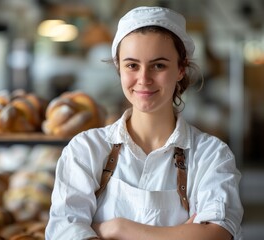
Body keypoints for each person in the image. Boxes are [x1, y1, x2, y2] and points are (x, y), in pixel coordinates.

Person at [45, 6, 243, 240]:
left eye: (158, 65)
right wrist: (183, 233)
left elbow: (217, 234)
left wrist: (117, 228)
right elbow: (63, 231)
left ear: (180, 69)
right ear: (119, 67)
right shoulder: (85, 149)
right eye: (132, 65)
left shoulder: (211, 155)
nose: (144, 79)